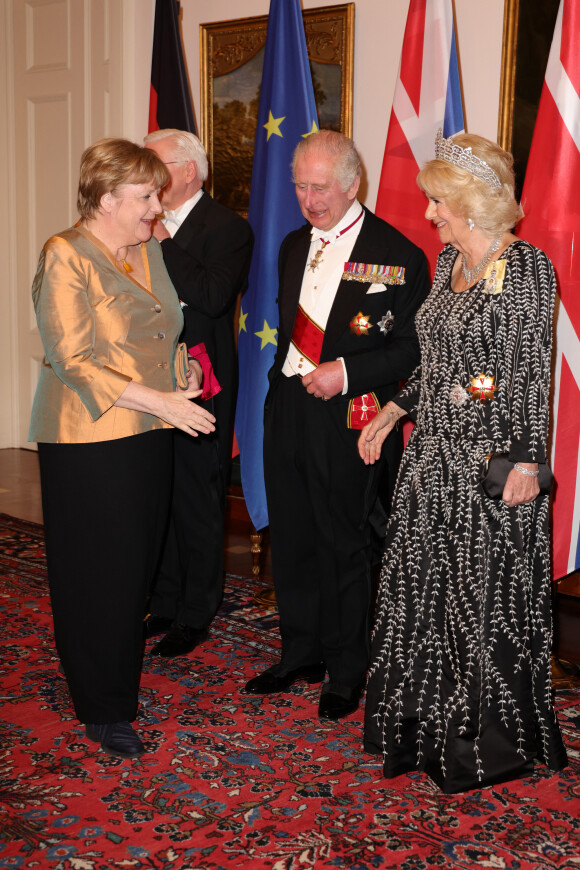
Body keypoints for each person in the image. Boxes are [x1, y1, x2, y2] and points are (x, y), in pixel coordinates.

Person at [359, 131, 568, 792]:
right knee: (423, 599)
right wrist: (397, 408)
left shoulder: (527, 267)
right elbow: (439, 362)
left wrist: (528, 465)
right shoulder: (451, 263)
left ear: (473, 200)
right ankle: (422, 729)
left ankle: (485, 744)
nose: (430, 216)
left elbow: (523, 374)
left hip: (492, 466)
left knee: (482, 605)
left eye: (439, 203)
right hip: (432, 464)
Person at [29, 138, 215, 759]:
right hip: (88, 436)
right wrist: (162, 401)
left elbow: (165, 330)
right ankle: (102, 706)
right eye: (144, 197)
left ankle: (111, 675)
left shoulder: (145, 249)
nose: (156, 209)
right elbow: (70, 358)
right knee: (95, 573)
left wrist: (181, 372)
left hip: (148, 429)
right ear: (106, 198)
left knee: (135, 565)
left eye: (157, 196)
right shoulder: (66, 254)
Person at [243, 130, 431, 720]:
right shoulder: (294, 244)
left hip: (352, 416)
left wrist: (345, 372)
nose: (307, 198)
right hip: (290, 406)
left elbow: (412, 351)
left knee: (344, 542)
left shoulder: (397, 253)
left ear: (353, 183)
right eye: (299, 185)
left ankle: (347, 670)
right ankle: (300, 651)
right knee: (293, 534)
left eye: (319, 186)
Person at [143, 129, 254, 658]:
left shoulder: (227, 228)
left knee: (196, 498)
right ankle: (163, 603)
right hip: (145, 381)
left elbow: (210, 298)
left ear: (188, 170)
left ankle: (195, 612)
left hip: (200, 381)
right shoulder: (136, 223)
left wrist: (163, 241)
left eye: (156, 163)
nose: (147, 173)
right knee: (157, 494)